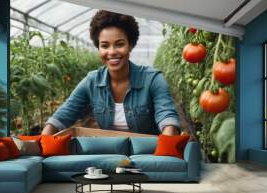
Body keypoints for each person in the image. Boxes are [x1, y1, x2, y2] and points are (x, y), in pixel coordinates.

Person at [41, 10, 181, 135]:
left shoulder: (153, 79)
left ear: (130, 45)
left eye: (119, 44)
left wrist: (166, 146)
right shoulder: (92, 81)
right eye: (105, 45)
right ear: (98, 48)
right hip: (112, 153)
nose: (112, 52)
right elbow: (63, 115)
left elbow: (166, 116)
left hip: (148, 154)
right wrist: (42, 142)